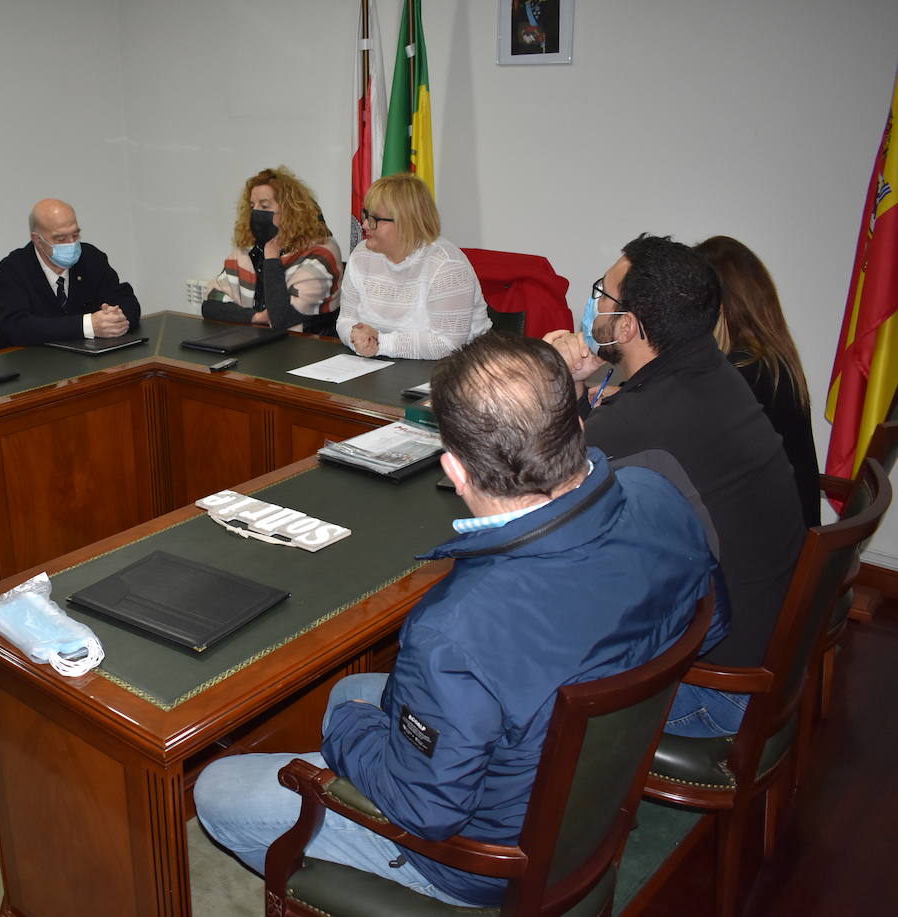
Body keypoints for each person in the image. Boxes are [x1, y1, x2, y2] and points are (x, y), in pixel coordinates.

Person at [195, 334, 721, 908]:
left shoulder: (455, 628)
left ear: (454, 469)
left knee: (223, 786)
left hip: (483, 858)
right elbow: (710, 624)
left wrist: (346, 728)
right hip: (585, 788)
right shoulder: (659, 492)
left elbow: (426, 809)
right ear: (576, 422)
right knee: (355, 688)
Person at [543, 234, 806, 737]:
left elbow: (537, 488)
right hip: (766, 658)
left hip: (714, 692)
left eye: (603, 294)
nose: (594, 302)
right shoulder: (714, 374)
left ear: (627, 326)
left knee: (523, 669)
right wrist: (578, 385)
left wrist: (555, 381)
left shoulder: (645, 418)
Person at [695, 235, 820, 527]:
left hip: (767, 547)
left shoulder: (740, 375)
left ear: (716, 305)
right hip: (790, 532)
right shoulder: (769, 363)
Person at [335, 173, 490, 359]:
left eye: (375, 219)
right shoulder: (361, 255)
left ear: (406, 223)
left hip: (461, 368)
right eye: (366, 215)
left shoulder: (446, 265)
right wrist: (356, 338)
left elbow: (448, 344)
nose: (365, 225)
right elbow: (346, 319)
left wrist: (380, 343)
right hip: (380, 364)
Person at [201, 167, 342, 336]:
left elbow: (280, 319)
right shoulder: (248, 252)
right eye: (253, 206)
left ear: (290, 210)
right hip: (257, 345)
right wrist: (255, 317)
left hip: (308, 350)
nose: (256, 213)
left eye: (265, 206)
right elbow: (210, 305)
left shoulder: (321, 254)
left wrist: (271, 259)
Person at [0, 198, 141, 346]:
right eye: (61, 238)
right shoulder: (13, 269)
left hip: (89, 358)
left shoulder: (90, 257)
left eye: (75, 235)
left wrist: (117, 319)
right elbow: (17, 327)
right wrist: (89, 326)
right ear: (37, 240)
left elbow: (125, 299)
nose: (71, 244)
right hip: (33, 363)